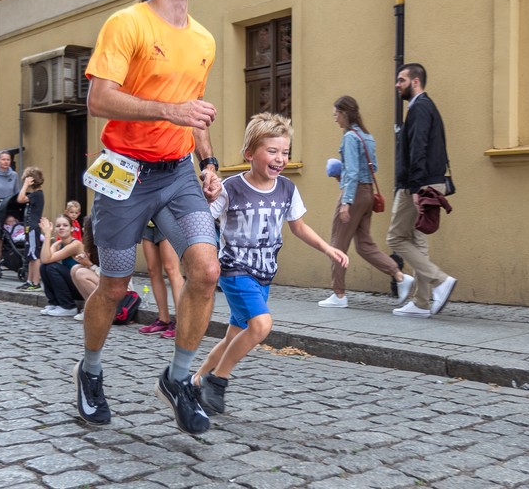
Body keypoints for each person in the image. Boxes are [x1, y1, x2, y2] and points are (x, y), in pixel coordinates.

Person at [75, 0, 221, 436]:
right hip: (124, 175)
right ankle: (91, 372)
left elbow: (194, 111)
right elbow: (99, 99)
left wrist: (208, 164)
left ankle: (178, 380)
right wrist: (169, 111)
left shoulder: (204, 39)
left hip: (178, 174)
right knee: (114, 286)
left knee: (206, 271)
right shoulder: (127, 24)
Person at [192, 113, 349, 415]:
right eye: (272, 151)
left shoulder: (287, 188)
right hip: (235, 270)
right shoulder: (231, 188)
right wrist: (206, 200)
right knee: (261, 325)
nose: (280, 158)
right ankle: (217, 380)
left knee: (235, 335)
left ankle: (196, 380)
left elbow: (298, 227)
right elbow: (203, 218)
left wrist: (328, 248)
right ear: (249, 154)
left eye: (285, 152)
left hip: (264, 274)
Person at [318, 96, 414, 308]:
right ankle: (399, 276)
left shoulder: (350, 138)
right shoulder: (367, 137)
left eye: (336, 114)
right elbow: (373, 167)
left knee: (337, 244)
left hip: (353, 195)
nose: (335, 119)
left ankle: (339, 295)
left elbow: (353, 172)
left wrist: (346, 202)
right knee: (364, 245)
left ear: (344, 113)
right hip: (368, 193)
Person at [388, 63, 457, 318]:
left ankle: (440, 280)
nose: (397, 84)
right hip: (427, 181)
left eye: (401, 80)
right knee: (418, 241)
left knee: (396, 238)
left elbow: (418, 147)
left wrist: (416, 187)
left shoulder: (419, 108)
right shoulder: (426, 107)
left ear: (415, 81)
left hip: (418, 185)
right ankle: (421, 303)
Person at [137, 221, 185, 339]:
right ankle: (163, 320)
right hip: (148, 222)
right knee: (152, 270)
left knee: (171, 269)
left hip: (168, 220)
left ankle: (182, 323)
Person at [38, 215, 84, 317]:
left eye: (65, 225)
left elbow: (46, 259)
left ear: (72, 229)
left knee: (52, 267)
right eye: (58, 226)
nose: (61, 228)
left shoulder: (75, 244)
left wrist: (47, 235)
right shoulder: (58, 244)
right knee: (44, 267)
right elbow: (44, 260)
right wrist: (48, 238)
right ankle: (55, 303)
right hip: (71, 285)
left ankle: (68, 306)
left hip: (81, 289)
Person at [16, 166, 45, 291]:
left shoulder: (37, 195)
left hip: (33, 228)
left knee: (34, 255)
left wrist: (25, 185)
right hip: (30, 228)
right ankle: (29, 281)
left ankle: (36, 283)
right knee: (30, 256)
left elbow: (20, 199)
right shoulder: (35, 195)